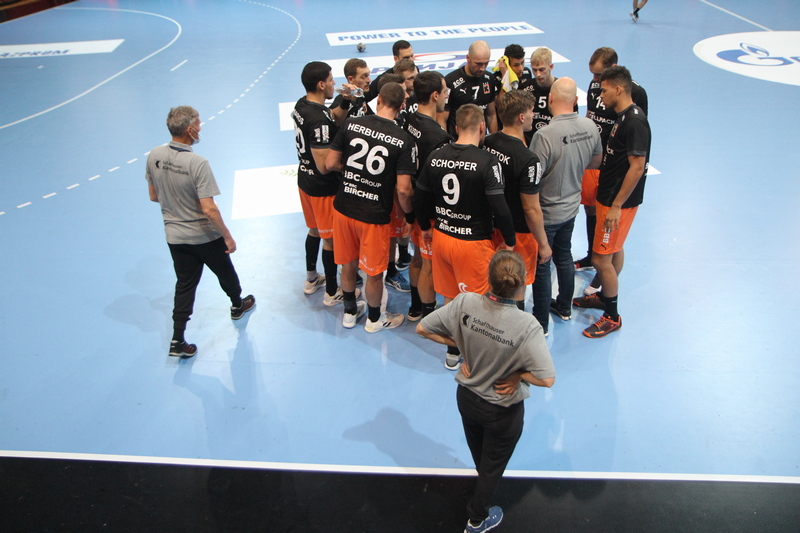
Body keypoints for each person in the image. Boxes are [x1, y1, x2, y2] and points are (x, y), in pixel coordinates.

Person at [416, 250, 555, 533]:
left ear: (488, 278)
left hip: (467, 399)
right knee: (492, 468)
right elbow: (547, 379)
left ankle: (482, 490)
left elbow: (422, 328)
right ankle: (476, 520)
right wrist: (517, 375)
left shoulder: (465, 302)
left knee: (482, 458)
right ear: (521, 283)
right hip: (502, 409)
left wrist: (464, 348)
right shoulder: (527, 325)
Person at [146, 106, 255, 358]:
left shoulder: (154, 155)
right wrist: (227, 236)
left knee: (185, 285)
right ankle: (237, 305)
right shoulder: (197, 163)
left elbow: (154, 196)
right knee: (225, 271)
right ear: (189, 130)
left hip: (175, 236)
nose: (200, 128)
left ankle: (177, 339)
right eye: (198, 124)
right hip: (203, 235)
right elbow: (209, 209)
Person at [415, 104, 515, 369]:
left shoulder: (436, 156)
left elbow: (419, 195)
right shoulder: (487, 161)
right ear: (482, 127)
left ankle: (452, 352)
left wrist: (424, 226)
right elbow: (500, 207)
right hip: (474, 243)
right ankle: (478, 358)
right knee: (480, 303)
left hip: (442, 237)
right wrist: (510, 240)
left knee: (450, 298)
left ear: (456, 128)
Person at [326, 82, 416, 332]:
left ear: (379, 100)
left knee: (348, 264)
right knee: (375, 272)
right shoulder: (403, 140)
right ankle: (375, 319)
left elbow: (330, 163)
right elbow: (403, 189)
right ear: (402, 106)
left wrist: (354, 172)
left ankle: (349, 312)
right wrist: (409, 216)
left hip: (344, 208)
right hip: (374, 215)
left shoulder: (351, 124)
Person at [572, 66, 651, 338]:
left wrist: (617, 205)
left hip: (617, 202)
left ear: (618, 89)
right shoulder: (622, 116)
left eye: (604, 90)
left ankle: (612, 316)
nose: (599, 95)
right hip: (609, 196)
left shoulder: (635, 122)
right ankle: (605, 297)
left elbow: (637, 167)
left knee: (600, 258)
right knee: (614, 250)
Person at [528, 78, 602, 335]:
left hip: (547, 212)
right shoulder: (590, 126)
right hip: (571, 208)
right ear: (576, 101)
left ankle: (541, 323)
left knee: (542, 264)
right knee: (564, 256)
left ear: (550, 100)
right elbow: (596, 161)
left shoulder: (544, 135)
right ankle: (564, 307)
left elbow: (532, 177)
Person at [482, 90, 549, 311]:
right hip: (519, 235)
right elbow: (531, 209)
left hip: (490, 227)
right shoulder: (528, 159)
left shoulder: (487, 142)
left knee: (492, 280)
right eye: (531, 111)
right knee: (515, 287)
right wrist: (544, 244)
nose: (533, 115)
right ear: (521, 117)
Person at [292, 61, 348, 307]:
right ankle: (332, 292)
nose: (335, 83)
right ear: (321, 84)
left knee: (314, 230)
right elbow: (325, 165)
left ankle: (311, 278)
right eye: (332, 79)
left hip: (305, 181)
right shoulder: (318, 120)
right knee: (330, 240)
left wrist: (345, 101)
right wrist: (352, 166)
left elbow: (331, 118)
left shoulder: (302, 105)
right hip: (322, 189)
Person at [402, 71, 453, 321]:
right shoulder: (438, 137)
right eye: (444, 92)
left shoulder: (409, 119)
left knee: (418, 258)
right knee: (429, 265)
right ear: (434, 95)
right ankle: (429, 318)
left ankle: (416, 307)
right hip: (429, 214)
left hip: (411, 206)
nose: (446, 96)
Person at [439, 40, 500, 138]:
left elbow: (491, 115)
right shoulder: (450, 81)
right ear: (468, 58)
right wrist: (447, 143)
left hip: (480, 140)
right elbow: (442, 119)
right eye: (478, 64)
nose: (482, 68)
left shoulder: (489, 79)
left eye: (486, 63)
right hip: (457, 140)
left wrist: (494, 139)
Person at [331, 58, 373, 125]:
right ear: (351, 79)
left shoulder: (361, 97)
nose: (369, 80)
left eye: (368, 75)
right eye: (363, 76)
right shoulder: (340, 102)